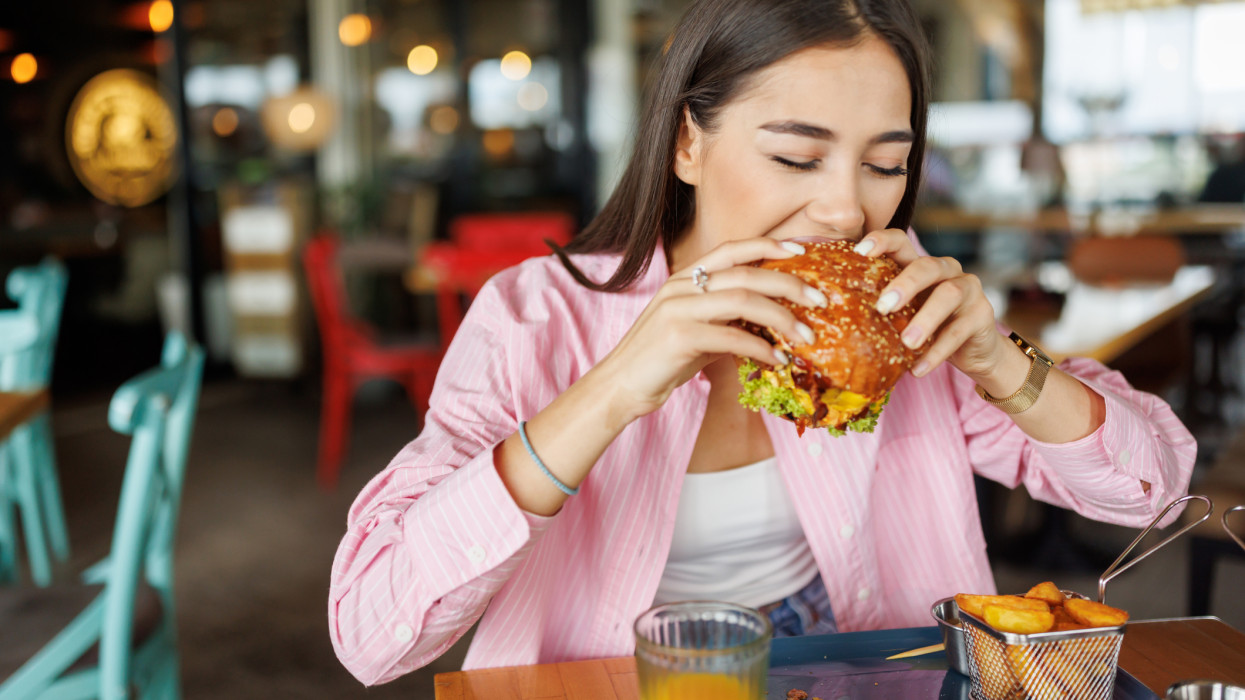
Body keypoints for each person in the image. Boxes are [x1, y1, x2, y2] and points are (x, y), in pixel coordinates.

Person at [329, 0, 1195, 685]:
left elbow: (1149, 491)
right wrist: (618, 384)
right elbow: (371, 635)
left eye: (885, 165)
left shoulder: (902, 313)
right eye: (795, 157)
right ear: (686, 143)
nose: (846, 210)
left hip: (857, 671)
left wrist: (1001, 359)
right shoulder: (532, 317)